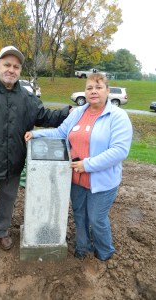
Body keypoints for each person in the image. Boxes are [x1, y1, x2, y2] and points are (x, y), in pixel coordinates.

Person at [0, 45, 72, 259]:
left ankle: (2, 231)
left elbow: (45, 116)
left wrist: (68, 112)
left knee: (7, 202)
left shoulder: (26, 98)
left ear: (19, 71)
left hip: (13, 164)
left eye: (16, 66)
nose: (11, 69)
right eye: (7, 64)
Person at [25, 73, 133, 261]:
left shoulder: (118, 117)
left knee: (96, 219)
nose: (93, 92)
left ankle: (105, 252)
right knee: (79, 215)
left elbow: (119, 151)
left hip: (101, 182)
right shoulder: (78, 113)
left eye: (98, 87)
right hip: (76, 178)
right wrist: (36, 135)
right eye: (90, 88)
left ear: (107, 91)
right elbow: (61, 132)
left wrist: (88, 165)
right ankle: (83, 247)